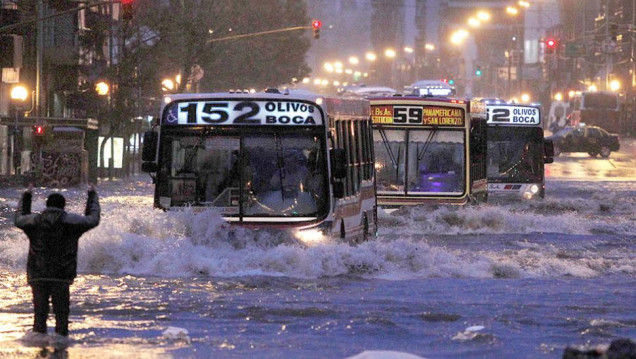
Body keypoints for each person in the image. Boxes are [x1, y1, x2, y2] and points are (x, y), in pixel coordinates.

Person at [14, 184, 101, 337]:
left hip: (38, 275)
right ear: (63, 205)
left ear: (47, 205)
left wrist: (26, 196)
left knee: (39, 315)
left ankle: (40, 348)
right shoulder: (72, 223)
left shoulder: (34, 222)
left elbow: (19, 219)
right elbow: (92, 219)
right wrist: (92, 196)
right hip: (61, 276)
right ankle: (60, 348)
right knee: (62, 316)